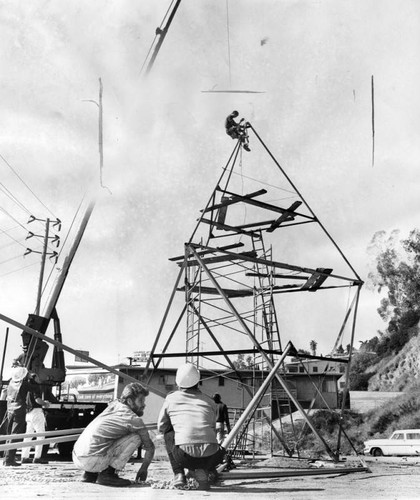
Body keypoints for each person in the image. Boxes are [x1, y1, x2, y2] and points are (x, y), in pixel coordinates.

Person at [72, 382, 155, 487]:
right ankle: (108, 474)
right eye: (141, 400)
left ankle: (89, 474)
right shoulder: (133, 419)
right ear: (129, 401)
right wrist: (144, 469)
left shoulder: (114, 406)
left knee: (107, 436)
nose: (144, 405)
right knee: (137, 437)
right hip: (93, 460)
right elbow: (150, 448)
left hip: (78, 458)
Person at [157, 363, 224, 491]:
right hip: (213, 456)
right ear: (198, 381)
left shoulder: (171, 399)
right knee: (208, 437)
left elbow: (161, 426)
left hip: (185, 456)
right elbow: (212, 427)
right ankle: (204, 471)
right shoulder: (209, 401)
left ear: (178, 383)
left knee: (168, 432)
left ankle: (179, 474)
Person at [3, 365, 30, 467]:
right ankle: (10, 459)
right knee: (16, 435)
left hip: (10, 410)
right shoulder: (24, 384)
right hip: (19, 410)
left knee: (9, 435)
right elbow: (36, 388)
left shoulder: (10, 383)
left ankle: (6, 459)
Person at [21, 374, 50, 464]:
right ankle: (37, 457)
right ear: (34, 379)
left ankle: (24, 457)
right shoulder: (36, 387)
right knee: (40, 435)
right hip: (36, 412)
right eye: (37, 377)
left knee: (28, 436)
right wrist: (45, 403)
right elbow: (37, 400)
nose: (39, 378)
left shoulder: (26, 387)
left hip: (28, 413)